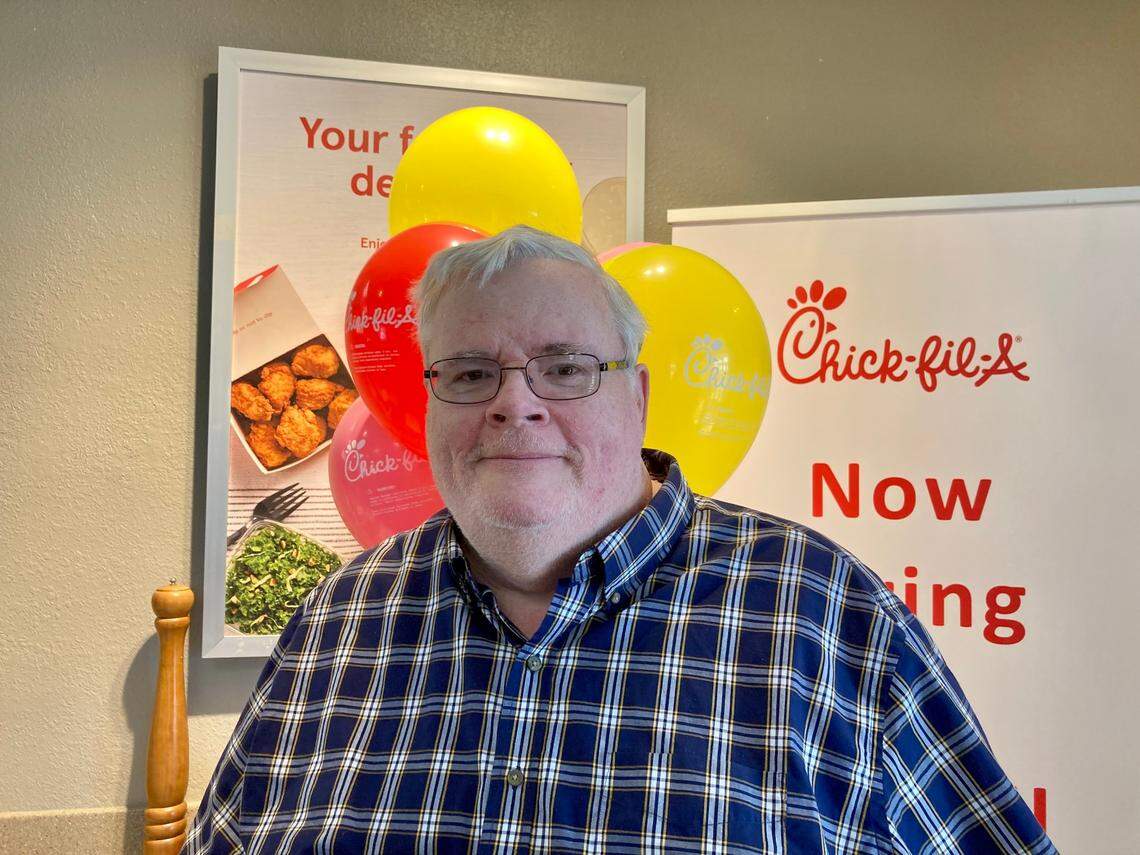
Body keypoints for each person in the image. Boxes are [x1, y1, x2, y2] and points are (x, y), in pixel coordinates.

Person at [185, 226, 1056, 854]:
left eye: (564, 367)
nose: (513, 402)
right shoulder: (339, 622)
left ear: (636, 398)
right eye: (469, 371)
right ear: (429, 401)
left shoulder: (826, 617)